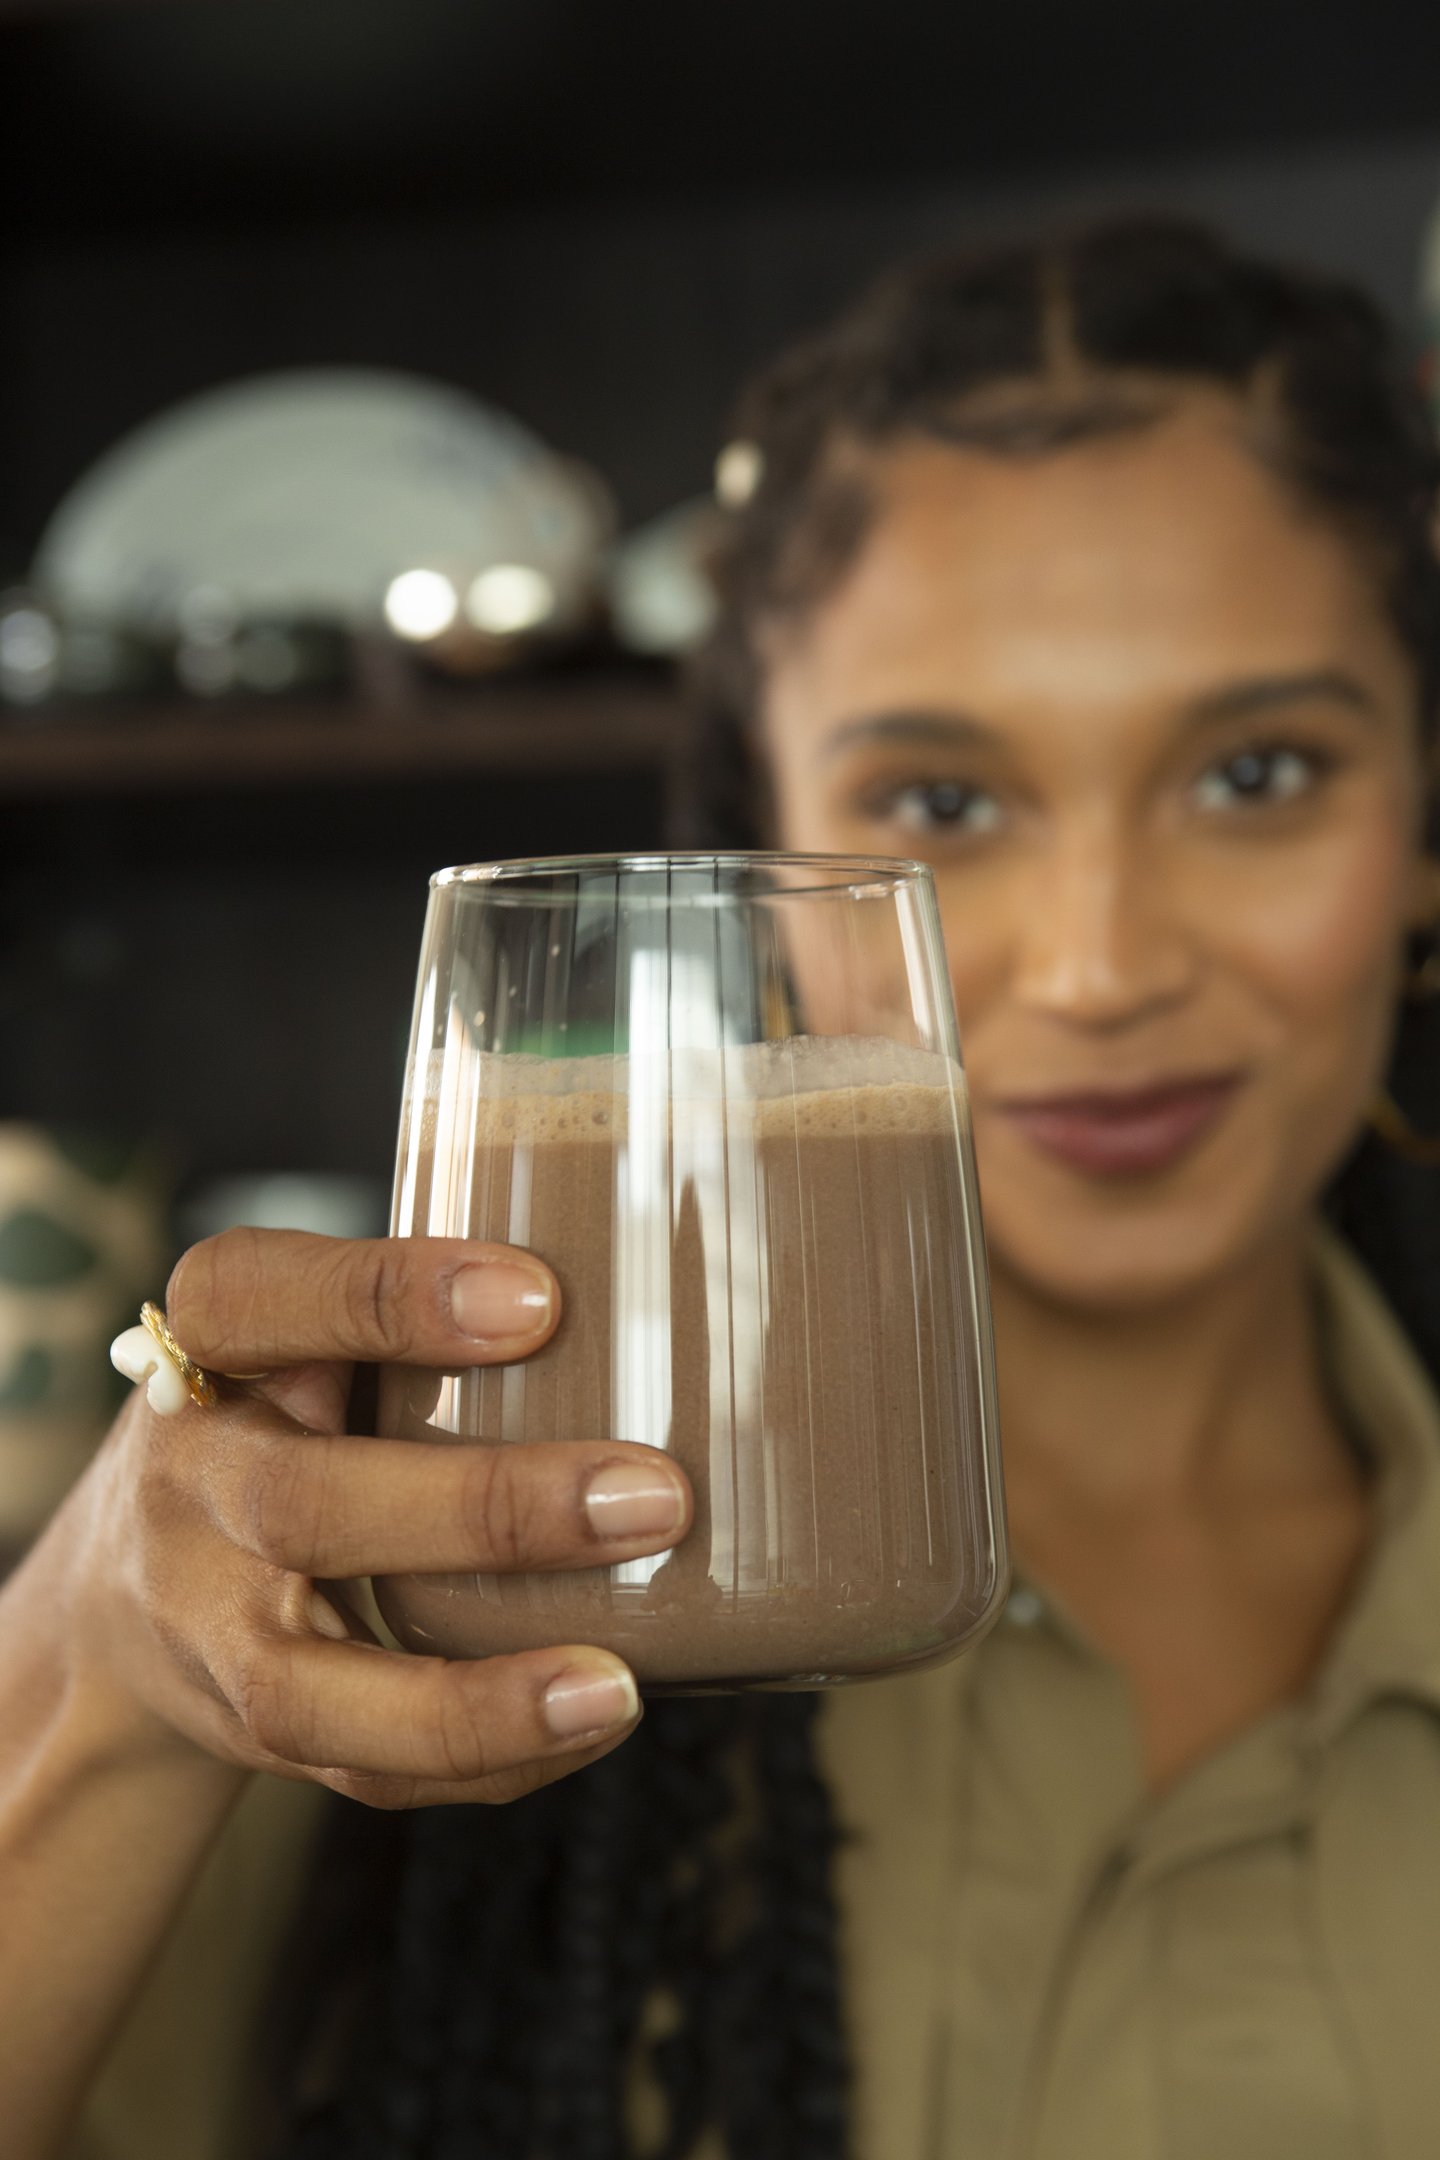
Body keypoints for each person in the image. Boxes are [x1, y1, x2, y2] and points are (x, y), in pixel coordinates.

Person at [4, 215, 1440, 2160]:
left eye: (1259, 773)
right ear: (762, 849)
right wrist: (87, 1668)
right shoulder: (355, 1605)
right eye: (938, 803)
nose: (1103, 966)